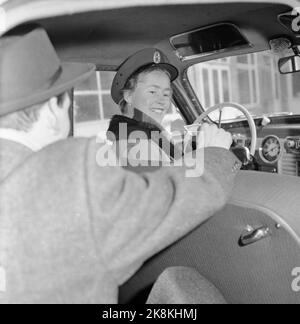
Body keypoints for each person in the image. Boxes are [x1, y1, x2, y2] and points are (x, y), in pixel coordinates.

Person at [0, 27, 240, 304]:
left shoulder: (135, 136)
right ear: (53, 110)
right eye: (153, 90)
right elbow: (173, 197)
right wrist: (212, 152)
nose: (163, 98)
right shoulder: (77, 171)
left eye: (166, 92)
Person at [108, 49, 182, 162]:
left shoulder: (150, 137)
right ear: (128, 96)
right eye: (152, 92)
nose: (162, 101)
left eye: (166, 94)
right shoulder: (139, 146)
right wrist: (210, 150)